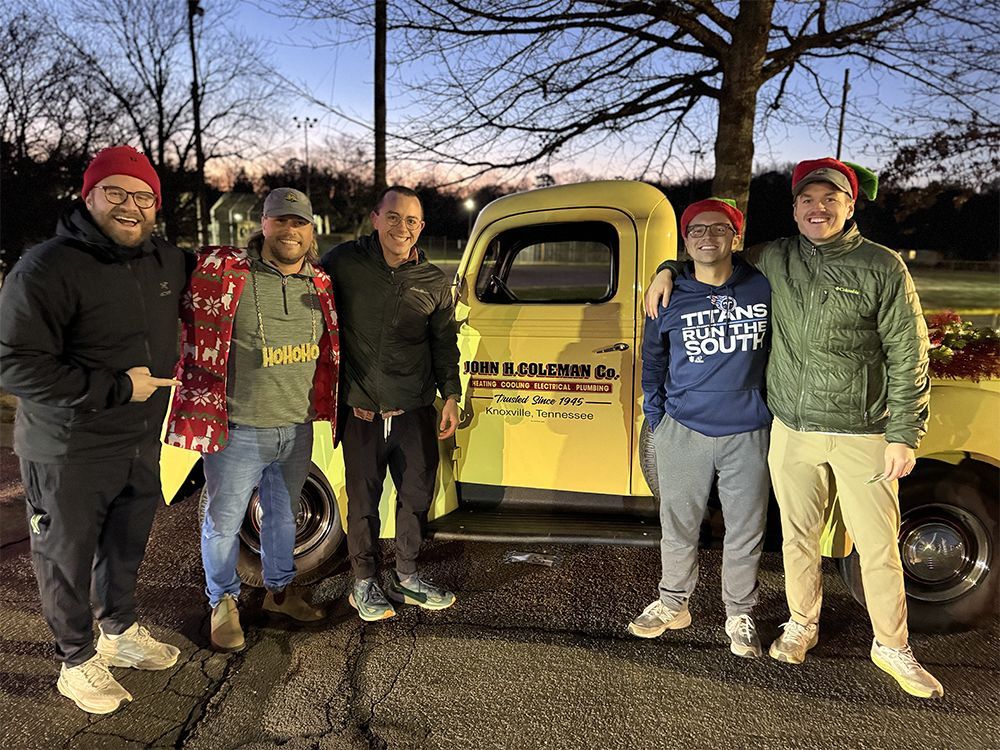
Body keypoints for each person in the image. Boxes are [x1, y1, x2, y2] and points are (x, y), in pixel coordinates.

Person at [644, 158, 942, 698]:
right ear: (795, 207)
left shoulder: (881, 265)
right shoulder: (775, 257)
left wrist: (903, 432)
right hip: (791, 428)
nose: (817, 209)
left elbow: (908, 350)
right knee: (797, 538)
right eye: (807, 200)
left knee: (877, 545)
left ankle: (892, 644)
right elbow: (712, 250)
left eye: (830, 199)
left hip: (862, 429)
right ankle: (802, 623)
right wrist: (668, 267)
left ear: (850, 205)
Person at [0, 146, 187, 714]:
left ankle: (119, 631)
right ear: (89, 196)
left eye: (144, 196)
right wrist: (115, 387)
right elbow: (13, 365)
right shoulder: (46, 266)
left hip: (140, 439)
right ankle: (76, 659)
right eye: (116, 192)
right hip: (68, 447)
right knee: (65, 556)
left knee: (125, 545)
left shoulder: (166, 261)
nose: (131, 205)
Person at [166, 188, 340, 652]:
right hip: (237, 429)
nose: (290, 230)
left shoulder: (321, 285)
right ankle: (222, 603)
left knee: (282, 516)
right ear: (263, 223)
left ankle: (279, 593)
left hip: (296, 427)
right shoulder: (224, 274)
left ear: (311, 230)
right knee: (223, 521)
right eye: (280, 220)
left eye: (299, 222)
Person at [629, 198, 771, 658]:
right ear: (686, 241)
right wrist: (659, 419)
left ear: (736, 236)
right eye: (697, 230)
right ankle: (674, 603)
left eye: (719, 228)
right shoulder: (667, 295)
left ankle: (739, 613)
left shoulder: (762, 285)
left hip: (748, 429)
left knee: (745, 528)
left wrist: (665, 266)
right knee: (678, 524)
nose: (708, 237)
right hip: (684, 428)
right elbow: (652, 361)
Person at [321, 186, 461, 622]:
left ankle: (406, 575)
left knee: (416, 496)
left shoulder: (433, 281)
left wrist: (451, 395)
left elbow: (444, 344)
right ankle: (363, 582)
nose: (403, 228)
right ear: (375, 219)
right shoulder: (344, 262)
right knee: (363, 502)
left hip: (413, 410)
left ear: (422, 227)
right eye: (394, 217)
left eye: (412, 221)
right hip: (361, 411)